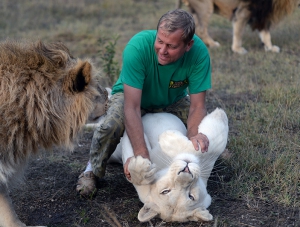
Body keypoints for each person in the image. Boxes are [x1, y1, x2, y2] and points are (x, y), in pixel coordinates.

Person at [76, 8, 212, 196]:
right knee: (111, 125)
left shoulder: (199, 54)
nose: (163, 51)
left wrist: (193, 140)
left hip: (172, 99)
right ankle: (92, 170)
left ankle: (200, 157)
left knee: (205, 126)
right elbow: (131, 107)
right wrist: (141, 156)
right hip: (131, 98)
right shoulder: (138, 47)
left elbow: (198, 106)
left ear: (188, 45)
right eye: (160, 41)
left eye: (171, 46)